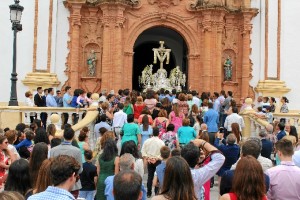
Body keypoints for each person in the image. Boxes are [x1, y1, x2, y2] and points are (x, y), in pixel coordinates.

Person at [49, 128, 83, 199]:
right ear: (73, 136)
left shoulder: (53, 150)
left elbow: (50, 167)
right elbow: (80, 170)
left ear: (63, 136)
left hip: (56, 182)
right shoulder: (77, 151)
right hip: (73, 185)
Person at [141, 127, 165, 198]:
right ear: (158, 133)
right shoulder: (161, 142)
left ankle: (148, 193)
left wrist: (148, 157)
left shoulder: (147, 141)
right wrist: (157, 158)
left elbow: (143, 151)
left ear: (152, 133)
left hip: (149, 160)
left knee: (150, 176)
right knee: (157, 177)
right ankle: (156, 192)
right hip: (157, 161)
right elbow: (162, 154)